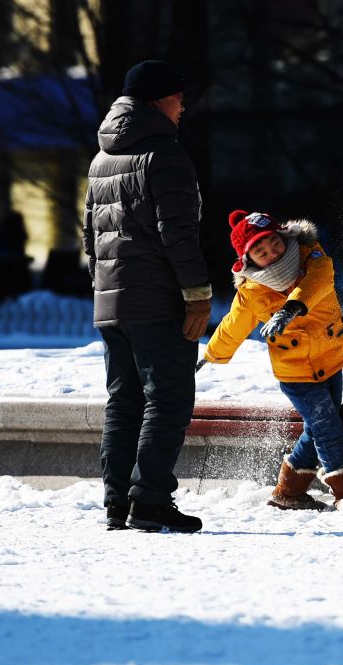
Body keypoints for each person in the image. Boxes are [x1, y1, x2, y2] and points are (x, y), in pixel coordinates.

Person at [82, 59, 212, 533]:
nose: (183, 109)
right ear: (159, 99)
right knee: (169, 399)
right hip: (157, 301)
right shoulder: (164, 155)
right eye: (178, 99)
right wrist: (197, 297)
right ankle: (150, 501)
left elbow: (89, 236)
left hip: (112, 303)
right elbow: (178, 234)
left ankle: (118, 503)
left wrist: (103, 292)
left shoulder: (101, 158)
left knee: (124, 401)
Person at [199, 210, 343, 511]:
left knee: (318, 428)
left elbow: (320, 281)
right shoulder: (252, 291)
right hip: (296, 374)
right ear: (249, 261)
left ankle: (288, 492)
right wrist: (212, 354)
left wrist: (291, 308)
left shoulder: (311, 257)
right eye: (261, 252)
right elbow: (233, 325)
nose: (272, 254)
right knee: (327, 428)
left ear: (283, 236)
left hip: (330, 359)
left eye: (274, 243)